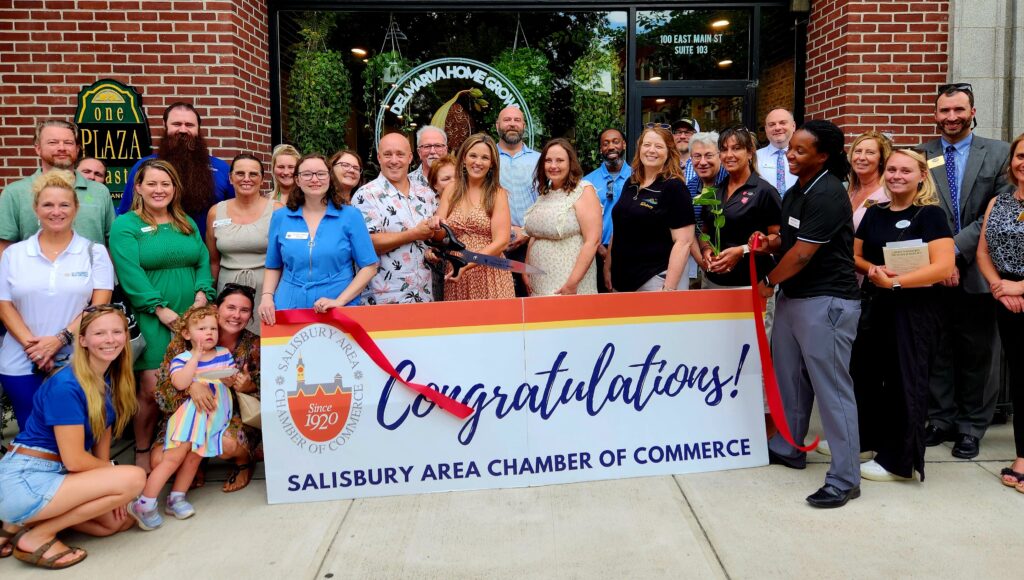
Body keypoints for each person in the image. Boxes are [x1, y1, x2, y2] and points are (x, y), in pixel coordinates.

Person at [750, 120, 862, 508]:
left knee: (832, 390)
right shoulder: (797, 190)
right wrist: (768, 242)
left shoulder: (829, 193)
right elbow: (790, 239)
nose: (791, 155)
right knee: (790, 381)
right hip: (795, 299)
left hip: (826, 302)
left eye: (800, 150)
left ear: (823, 156)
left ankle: (846, 477)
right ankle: (789, 446)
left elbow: (801, 255)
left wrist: (767, 280)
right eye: (790, 149)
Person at [0, 306, 144, 570]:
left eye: (116, 331)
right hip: (26, 478)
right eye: (100, 333)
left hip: (55, 475)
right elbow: (76, 460)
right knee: (134, 478)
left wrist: (113, 485)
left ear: (126, 336)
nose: (110, 339)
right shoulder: (66, 385)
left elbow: (101, 439)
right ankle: (37, 536)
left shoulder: (108, 378)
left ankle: (24, 522)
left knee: (112, 525)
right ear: (82, 340)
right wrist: (117, 478)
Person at [919, 83, 1012, 459]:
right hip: (930, 271)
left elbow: (999, 206)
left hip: (979, 268)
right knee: (937, 348)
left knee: (978, 352)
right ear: (936, 114)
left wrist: (954, 250)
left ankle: (971, 426)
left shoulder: (1000, 153)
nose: (951, 118)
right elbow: (917, 207)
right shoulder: (920, 154)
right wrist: (939, 258)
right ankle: (940, 419)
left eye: (959, 110)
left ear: (972, 111)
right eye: (944, 111)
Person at [851, 149, 955, 482]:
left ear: (922, 176)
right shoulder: (875, 212)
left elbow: (943, 266)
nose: (897, 176)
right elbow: (855, 254)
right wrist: (874, 271)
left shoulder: (931, 215)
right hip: (877, 304)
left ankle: (899, 462)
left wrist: (895, 282)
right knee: (868, 375)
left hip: (915, 309)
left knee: (903, 380)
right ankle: (869, 443)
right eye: (892, 169)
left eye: (905, 171)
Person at [108, 159, 215, 471]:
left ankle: (185, 450)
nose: (159, 190)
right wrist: (159, 309)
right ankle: (143, 450)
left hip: (192, 317)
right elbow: (130, 273)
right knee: (153, 390)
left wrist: (201, 293)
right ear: (138, 188)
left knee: (195, 380)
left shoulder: (186, 222)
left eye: (165, 184)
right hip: (153, 318)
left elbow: (202, 261)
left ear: (174, 189)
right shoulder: (125, 225)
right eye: (151, 183)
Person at [0, 170, 114, 429]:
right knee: (33, 434)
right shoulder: (14, 254)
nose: (56, 211)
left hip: (78, 361)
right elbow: (4, 305)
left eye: (64, 204)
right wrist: (36, 349)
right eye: (48, 204)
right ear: (35, 208)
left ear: (75, 208)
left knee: (78, 434)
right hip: (21, 364)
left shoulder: (94, 252)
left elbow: (98, 308)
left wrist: (59, 340)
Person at [128, 305, 233, 530]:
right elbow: (181, 383)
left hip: (211, 416)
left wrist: (232, 379)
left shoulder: (224, 354)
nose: (209, 333)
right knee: (172, 459)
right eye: (202, 328)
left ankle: (176, 497)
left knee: (195, 457)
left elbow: (229, 378)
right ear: (186, 334)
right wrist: (196, 356)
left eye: (213, 328)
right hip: (190, 419)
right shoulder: (182, 359)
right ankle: (144, 502)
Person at [151, 284, 262, 493]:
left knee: (228, 446)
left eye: (244, 310)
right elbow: (161, 391)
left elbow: (273, 391)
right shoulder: (186, 341)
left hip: (228, 414)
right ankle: (195, 465)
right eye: (230, 308)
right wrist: (190, 387)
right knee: (159, 461)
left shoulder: (254, 345)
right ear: (216, 309)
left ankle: (244, 463)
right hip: (187, 412)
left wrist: (249, 386)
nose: (236, 315)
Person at [260, 154, 378, 323]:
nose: (314, 179)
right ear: (298, 180)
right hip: (290, 306)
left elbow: (369, 267)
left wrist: (341, 301)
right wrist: (266, 297)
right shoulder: (281, 217)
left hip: (336, 305)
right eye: (307, 174)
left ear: (330, 178)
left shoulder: (350, 216)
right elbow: (273, 265)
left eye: (321, 174)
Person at [976, 133, 1024, 492]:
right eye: (1020, 156)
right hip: (1005, 297)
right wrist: (999, 287)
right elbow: (982, 252)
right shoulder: (1000, 201)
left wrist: (1019, 288)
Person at [118, 102, 235, 238]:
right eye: (177, 124)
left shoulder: (221, 168)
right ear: (165, 126)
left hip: (208, 253)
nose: (183, 130)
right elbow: (127, 213)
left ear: (198, 129)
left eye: (190, 125)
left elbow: (236, 211)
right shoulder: (143, 167)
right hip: (155, 252)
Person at [604, 125, 696, 292]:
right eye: (647, 145)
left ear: (669, 152)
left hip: (654, 280)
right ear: (639, 149)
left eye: (659, 146)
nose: (651, 150)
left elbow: (684, 242)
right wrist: (608, 267)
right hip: (621, 280)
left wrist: (668, 288)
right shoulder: (631, 183)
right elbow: (619, 229)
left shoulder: (674, 187)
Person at [0, 120, 114, 252]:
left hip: (89, 271)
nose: (61, 148)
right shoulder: (15, 193)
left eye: (68, 142)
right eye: (53, 142)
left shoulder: (99, 192)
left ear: (77, 149)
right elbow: (5, 248)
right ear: (38, 148)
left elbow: (111, 245)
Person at [352, 133, 438, 304]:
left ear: (410, 157)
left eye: (400, 154)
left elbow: (434, 239)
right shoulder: (366, 195)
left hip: (424, 293)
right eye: (387, 154)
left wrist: (437, 243)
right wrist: (414, 234)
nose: (394, 160)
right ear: (379, 158)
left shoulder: (426, 193)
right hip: (384, 296)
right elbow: (366, 243)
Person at [206, 154, 282, 334]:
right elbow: (213, 261)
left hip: (268, 294)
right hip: (227, 293)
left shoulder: (278, 211)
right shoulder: (216, 213)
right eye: (240, 173)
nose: (246, 179)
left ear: (262, 179)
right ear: (231, 178)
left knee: (265, 349)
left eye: (253, 174)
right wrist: (210, 299)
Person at [434, 133, 515, 301]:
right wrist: (434, 225)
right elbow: (440, 234)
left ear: (492, 163)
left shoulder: (497, 194)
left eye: (485, 158)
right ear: (464, 158)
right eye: (473, 155)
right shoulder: (451, 189)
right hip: (456, 272)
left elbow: (501, 241)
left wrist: (466, 264)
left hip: (489, 273)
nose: (478, 162)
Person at [699, 127, 781, 290]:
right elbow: (704, 233)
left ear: (750, 153)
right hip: (714, 282)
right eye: (724, 149)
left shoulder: (764, 191)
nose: (729, 155)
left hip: (752, 284)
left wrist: (742, 250)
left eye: (736, 148)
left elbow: (778, 240)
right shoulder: (714, 191)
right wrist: (706, 250)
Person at [523, 138, 602, 296]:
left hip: (569, 286)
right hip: (539, 286)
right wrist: (526, 268)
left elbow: (592, 241)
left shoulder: (583, 190)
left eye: (559, 160)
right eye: (548, 160)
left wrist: (572, 284)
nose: (553, 166)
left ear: (570, 163)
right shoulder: (546, 193)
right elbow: (536, 234)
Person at [495, 106, 541, 297]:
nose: (512, 124)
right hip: (496, 246)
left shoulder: (540, 160)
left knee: (534, 301)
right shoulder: (487, 158)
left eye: (517, 120)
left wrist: (527, 231)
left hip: (533, 244)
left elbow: (547, 201)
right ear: (497, 125)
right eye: (507, 120)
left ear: (523, 125)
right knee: (500, 304)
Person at [583, 129, 632, 293]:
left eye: (615, 141)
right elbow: (582, 221)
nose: (611, 146)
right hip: (597, 251)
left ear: (624, 144)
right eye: (605, 143)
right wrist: (600, 250)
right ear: (600, 149)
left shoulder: (638, 177)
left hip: (630, 250)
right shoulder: (588, 182)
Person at [848, 131, 892, 230]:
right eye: (858, 151)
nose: (861, 157)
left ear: (881, 160)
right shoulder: (848, 191)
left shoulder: (888, 194)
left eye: (870, 152)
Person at [755, 108, 798, 195]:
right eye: (772, 125)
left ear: (793, 126)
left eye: (782, 123)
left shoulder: (805, 157)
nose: (777, 128)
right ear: (766, 129)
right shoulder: (755, 157)